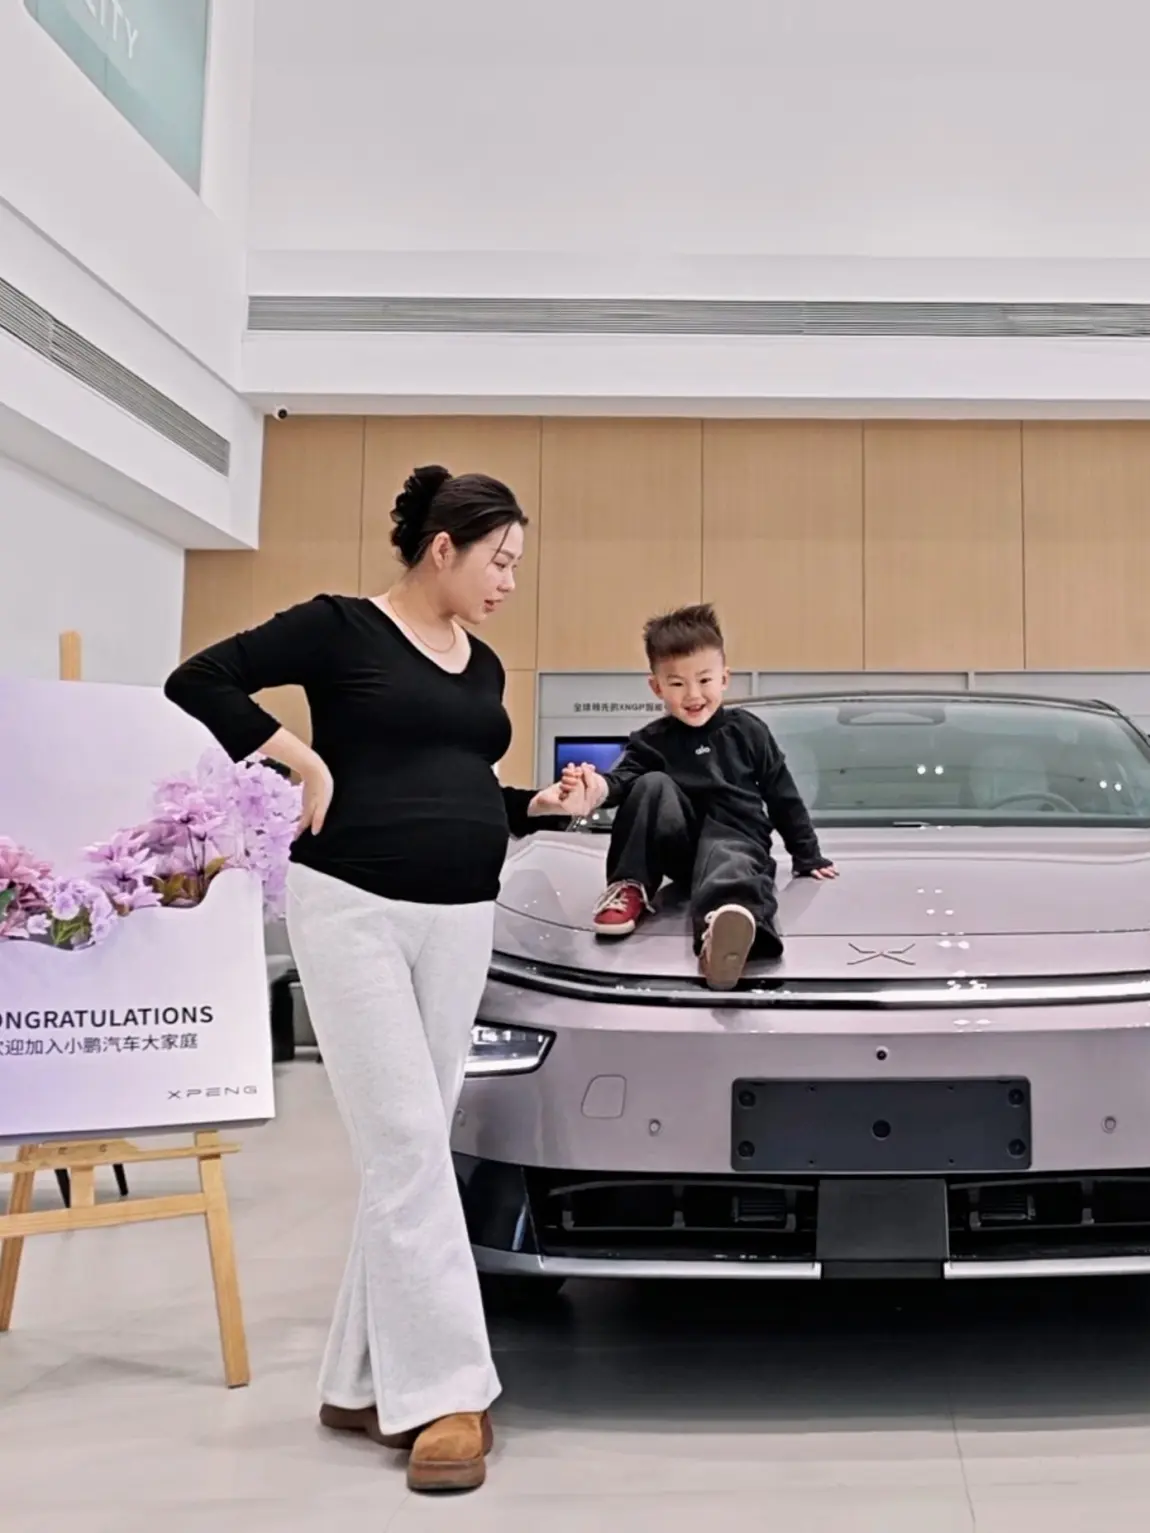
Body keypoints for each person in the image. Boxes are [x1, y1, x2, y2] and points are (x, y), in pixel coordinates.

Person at [164, 465, 593, 1494]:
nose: (509, 581)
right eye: (499, 560)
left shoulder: (481, 663)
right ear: (444, 547)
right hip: (353, 905)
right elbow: (200, 679)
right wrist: (301, 762)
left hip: (463, 915)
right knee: (404, 1139)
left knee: (412, 1146)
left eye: (517, 565)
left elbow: (453, 781)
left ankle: (359, 1380)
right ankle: (449, 1393)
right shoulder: (339, 627)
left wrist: (535, 805)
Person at [562, 603, 836, 990]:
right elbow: (622, 781)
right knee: (650, 784)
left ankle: (726, 927)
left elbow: (781, 794)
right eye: (677, 684)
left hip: (738, 840)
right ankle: (630, 886)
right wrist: (595, 788)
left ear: (724, 679)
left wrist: (808, 855)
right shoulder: (650, 741)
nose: (693, 695)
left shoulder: (749, 731)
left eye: (704, 680)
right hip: (683, 850)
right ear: (656, 687)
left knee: (731, 858)